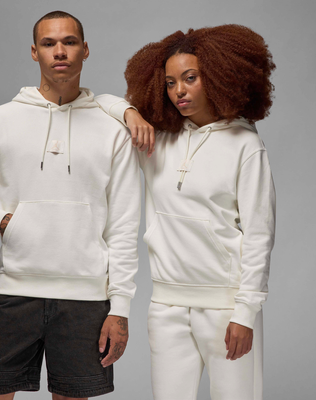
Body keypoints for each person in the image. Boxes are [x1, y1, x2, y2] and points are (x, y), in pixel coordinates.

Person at [0, 10, 143, 400]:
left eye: (69, 42)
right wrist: (1, 219)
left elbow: (123, 226)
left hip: (87, 300)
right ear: (34, 52)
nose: (60, 52)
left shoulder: (112, 131)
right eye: (49, 43)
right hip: (16, 290)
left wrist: (119, 308)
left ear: (85, 49)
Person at [105, 25, 276, 400]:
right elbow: (98, 104)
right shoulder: (157, 140)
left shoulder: (245, 145)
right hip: (166, 306)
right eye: (169, 83)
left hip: (226, 308)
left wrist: (245, 313)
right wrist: (129, 111)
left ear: (217, 77)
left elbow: (259, 236)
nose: (178, 90)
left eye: (190, 78)